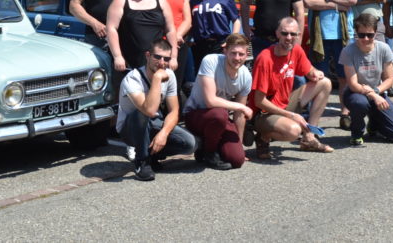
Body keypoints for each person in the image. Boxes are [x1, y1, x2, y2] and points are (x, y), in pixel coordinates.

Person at [248, 16, 333, 158]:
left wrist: (314, 72)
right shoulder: (265, 58)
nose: (289, 37)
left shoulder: (296, 50)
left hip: (284, 104)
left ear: (298, 35)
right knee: (293, 131)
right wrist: (292, 115)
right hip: (264, 113)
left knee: (325, 83)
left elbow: (308, 69)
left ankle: (309, 138)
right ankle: (262, 138)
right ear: (277, 34)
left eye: (293, 34)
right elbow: (259, 101)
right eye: (284, 33)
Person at [117, 38, 197, 181]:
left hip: (154, 123)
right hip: (131, 128)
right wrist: (157, 78)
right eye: (157, 57)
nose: (162, 63)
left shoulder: (170, 75)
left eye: (166, 59)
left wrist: (164, 134)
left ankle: (152, 156)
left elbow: (174, 111)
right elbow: (148, 110)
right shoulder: (133, 79)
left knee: (190, 144)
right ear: (148, 56)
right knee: (141, 114)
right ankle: (142, 162)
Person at [302, 0, 359, 128]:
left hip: (344, 35)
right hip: (320, 37)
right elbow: (309, 3)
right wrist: (336, 4)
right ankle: (315, 117)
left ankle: (345, 113)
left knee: (344, 76)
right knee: (319, 77)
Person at [183, 33, 253, 170]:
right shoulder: (211, 61)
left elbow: (239, 115)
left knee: (237, 160)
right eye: (233, 53)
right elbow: (210, 101)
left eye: (241, 54)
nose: (237, 58)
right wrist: (241, 106)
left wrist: (239, 144)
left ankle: (207, 144)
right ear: (225, 51)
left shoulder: (246, 76)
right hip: (196, 115)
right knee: (219, 114)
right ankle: (209, 154)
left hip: (219, 120)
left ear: (246, 54)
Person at [339, 13, 393, 145]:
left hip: (378, 92)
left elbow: (389, 79)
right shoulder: (348, 51)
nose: (365, 38)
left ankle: (374, 124)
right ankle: (357, 132)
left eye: (369, 35)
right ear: (356, 33)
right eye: (361, 35)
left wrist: (375, 92)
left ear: (375, 33)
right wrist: (373, 95)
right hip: (356, 94)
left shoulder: (384, 48)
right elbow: (353, 84)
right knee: (360, 103)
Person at [106, 0, 177, 75]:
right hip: (129, 63)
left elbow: (170, 30)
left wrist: (173, 57)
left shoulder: (161, 1)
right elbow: (111, 29)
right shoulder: (121, 0)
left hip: (158, 63)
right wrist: (118, 56)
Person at [151, 0, 193, 91]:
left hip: (179, 43)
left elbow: (187, 19)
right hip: (158, 43)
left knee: (175, 84)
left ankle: (174, 112)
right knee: (156, 83)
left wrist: (177, 35)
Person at [190, 0, 241, 65]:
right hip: (199, 45)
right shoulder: (193, 1)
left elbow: (236, 20)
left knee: (219, 76)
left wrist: (231, 41)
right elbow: (190, 23)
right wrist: (187, 39)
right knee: (201, 77)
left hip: (220, 44)